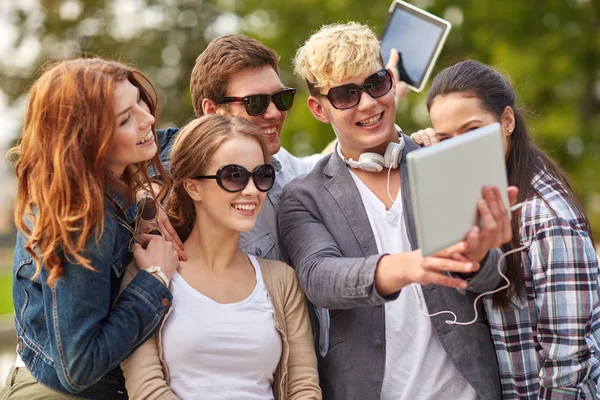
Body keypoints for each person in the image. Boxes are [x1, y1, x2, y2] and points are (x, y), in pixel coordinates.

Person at [279, 22, 518, 400]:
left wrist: (478, 257)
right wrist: (407, 266)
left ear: (391, 80)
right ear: (318, 109)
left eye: (375, 84)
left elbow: (492, 281)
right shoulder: (303, 196)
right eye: (345, 95)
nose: (369, 104)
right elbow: (318, 278)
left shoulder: (445, 162)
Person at [1, 58, 180, 399]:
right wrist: (156, 277)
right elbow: (80, 368)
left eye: (140, 100)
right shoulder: (81, 221)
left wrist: (148, 191)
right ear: (85, 139)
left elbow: (184, 141)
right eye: (126, 118)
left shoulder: (98, 180)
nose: (149, 118)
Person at [421, 59, 600, 399]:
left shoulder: (547, 217)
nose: (458, 148)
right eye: (445, 138)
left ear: (506, 121)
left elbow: (568, 369)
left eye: (471, 132)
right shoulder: (482, 194)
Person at [157, 34, 409, 262]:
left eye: (281, 98)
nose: (274, 113)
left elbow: (330, 160)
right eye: (255, 103)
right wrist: (143, 195)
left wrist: (373, 105)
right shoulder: (170, 193)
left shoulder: (282, 165)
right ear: (211, 111)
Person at [120, 114, 321, 400]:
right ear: (193, 186)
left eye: (261, 175)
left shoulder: (281, 280)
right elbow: (146, 389)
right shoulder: (148, 272)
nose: (252, 191)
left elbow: (303, 388)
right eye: (234, 176)